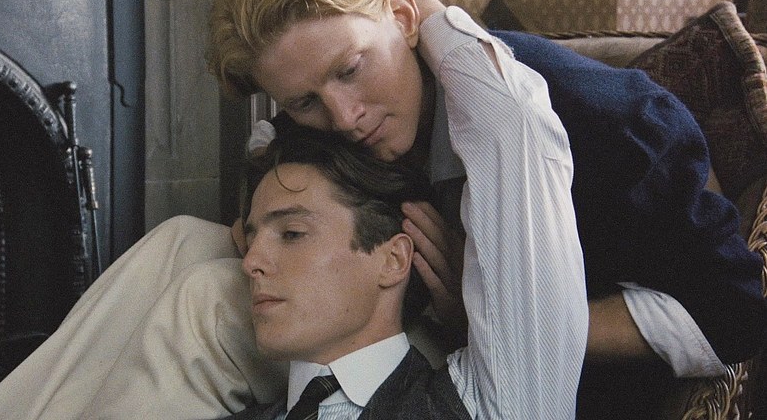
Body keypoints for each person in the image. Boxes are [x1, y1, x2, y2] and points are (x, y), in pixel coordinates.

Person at [0, 0, 765, 419]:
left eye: (351, 69)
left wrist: (494, 308)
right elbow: (280, 163)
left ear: (404, 14)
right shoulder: (322, 114)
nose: (344, 118)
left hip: (522, 368)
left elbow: (728, 319)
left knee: (210, 304)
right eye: (304, 101)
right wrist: (270, 219)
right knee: (179, 242)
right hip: (404, 306)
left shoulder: (606, 122)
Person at [223, 124, 577, 419]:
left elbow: (516, 121)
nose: (250, 262)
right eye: (252, 240)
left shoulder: (475, 404)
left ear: (393, 259)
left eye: (292, 233)